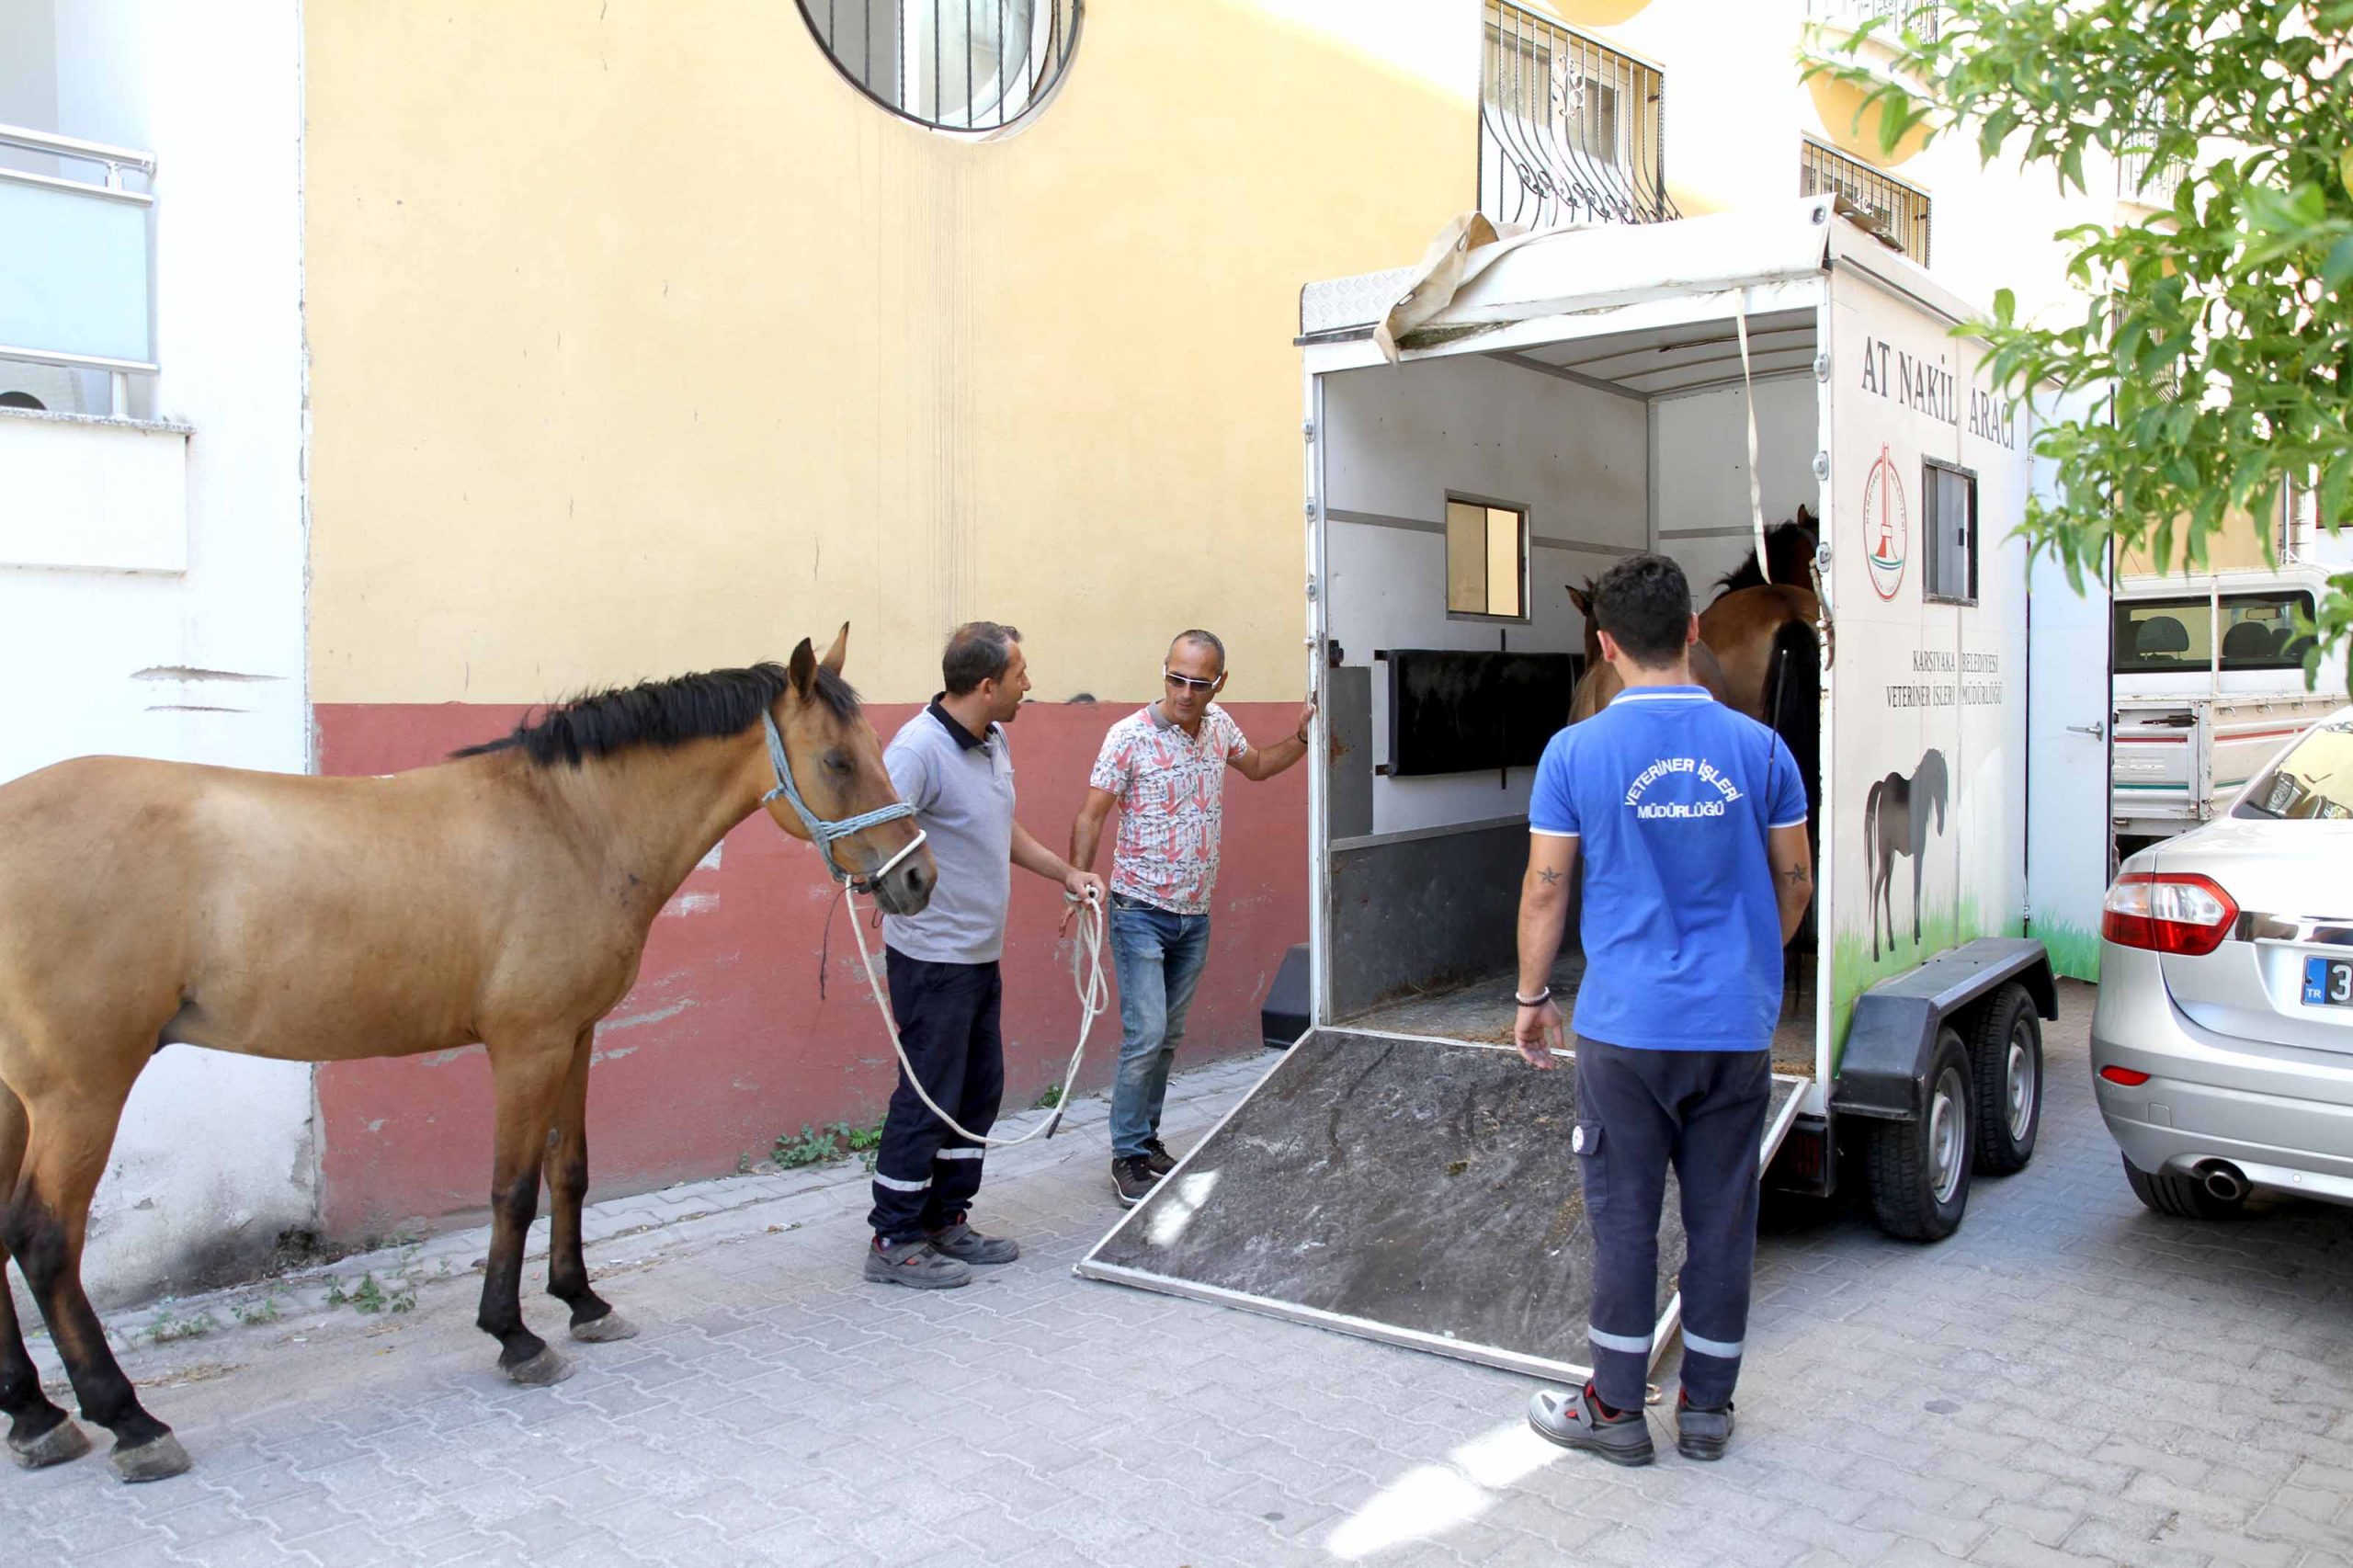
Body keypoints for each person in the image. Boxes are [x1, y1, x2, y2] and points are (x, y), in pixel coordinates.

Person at [1512, 553, 1813, 1465]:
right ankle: (1707, 1410)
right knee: (1722, 1220)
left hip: (1625, 1029)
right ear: (1691, 629)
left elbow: (1546, 889)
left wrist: (1531, 996)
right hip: (1732, 1026)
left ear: (1604, 644)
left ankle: (1614, 1409)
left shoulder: (1573, 752)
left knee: (1625, 1221)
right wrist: (1751, 962)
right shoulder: (1764, 750)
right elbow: (1795, 881)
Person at [864, 622, 1106, 1289]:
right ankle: (894, 1237)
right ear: (987, 684)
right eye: (1021, 674)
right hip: (931, 959)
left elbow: (1001, 829)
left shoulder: (992, 739)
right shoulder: (917, 750)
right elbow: (875, 834)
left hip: (976, 955)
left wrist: (1066, 873)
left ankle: (945, 1219)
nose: (1030, 685)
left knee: (976, 1091)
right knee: (928, 1094)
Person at [1070, 630, 1316, 1208]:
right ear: (1164, 671)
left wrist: (1304, 738)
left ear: (1219, 683)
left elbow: (1258, 765)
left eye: (1198, 683)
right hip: (1138, 910)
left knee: (1168, 1036)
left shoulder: (1219, 726)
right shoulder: (1128, 736)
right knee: (1147, 1034)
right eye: (1175, 678)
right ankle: (1127, 1155)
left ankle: (1147, 1142)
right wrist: (1075, 880)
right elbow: (1090, 816)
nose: (1184, 693)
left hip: (1193, 915)